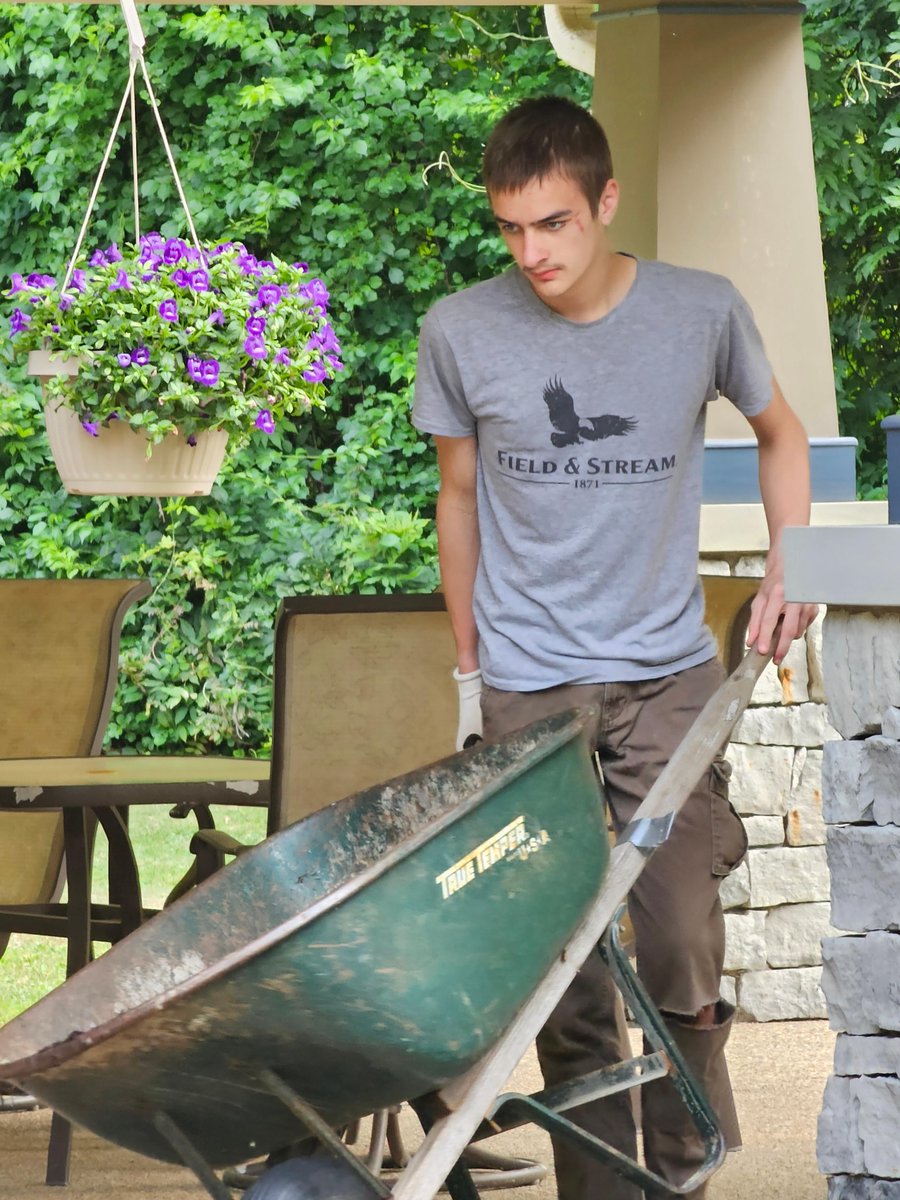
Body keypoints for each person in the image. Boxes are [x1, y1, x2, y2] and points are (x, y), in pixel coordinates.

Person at [411, 95, 818, 1200]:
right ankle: (598, 1178)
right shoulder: (461, 330)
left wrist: (797, 563)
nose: (531, 252)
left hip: (663, 671)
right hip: (527, 678)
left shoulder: (701, 312)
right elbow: (457, 498)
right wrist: (469, 665)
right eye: (511, 229)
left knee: (678, 914)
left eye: (554, 224)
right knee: (559, 953)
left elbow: (781, 435)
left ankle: (682, 1153)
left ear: (606, 201)